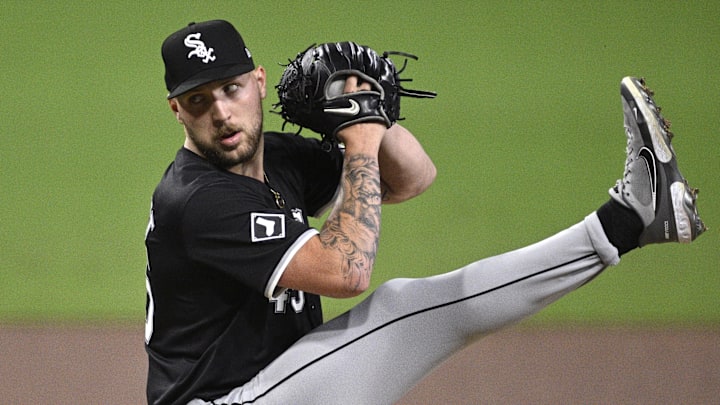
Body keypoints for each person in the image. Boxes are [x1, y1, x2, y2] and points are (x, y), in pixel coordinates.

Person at [144, 20, 705, 405]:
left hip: (281, 385)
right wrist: (359, 139)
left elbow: (412, 178)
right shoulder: (197, 200)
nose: (221, 111)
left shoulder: (279, 160)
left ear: (258, 82)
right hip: (225, 400)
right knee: (399, 306)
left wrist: (370, 113)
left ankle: (633, 218)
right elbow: (348, 273)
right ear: (176, 110)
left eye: (232, 88)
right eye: (199, 99)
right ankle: (628, 220)